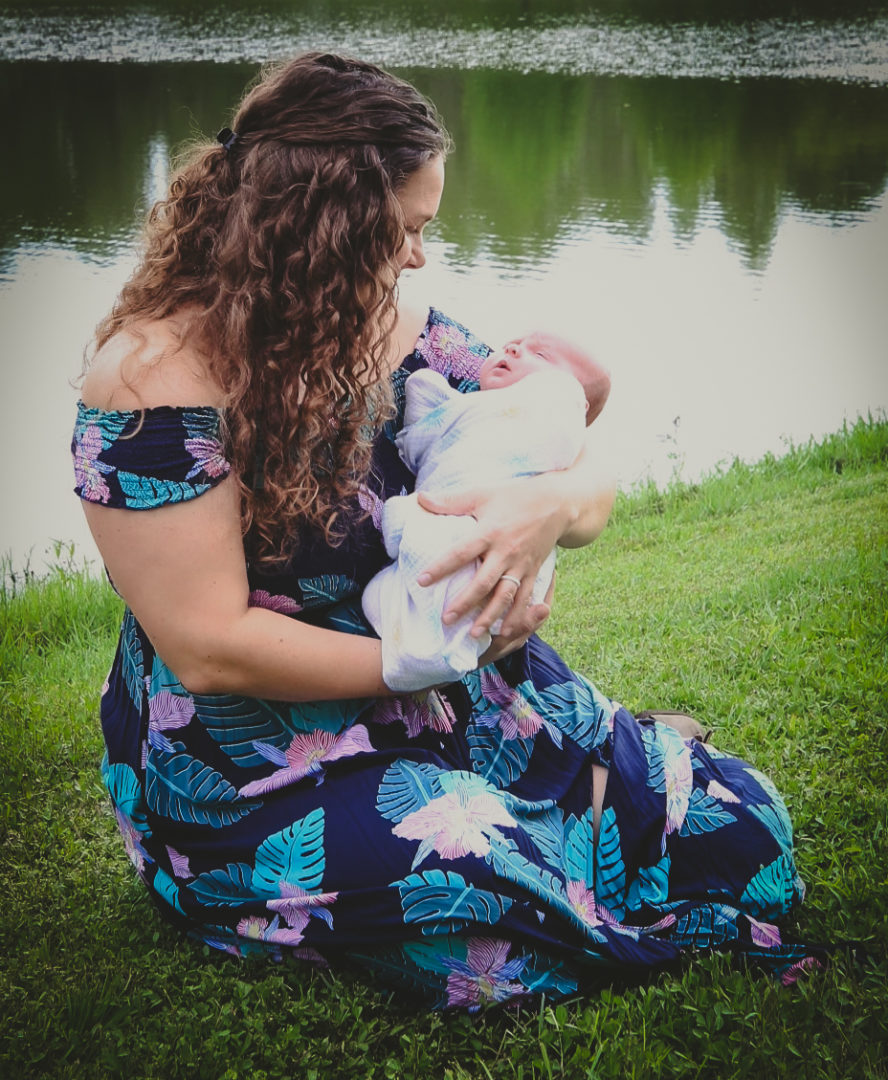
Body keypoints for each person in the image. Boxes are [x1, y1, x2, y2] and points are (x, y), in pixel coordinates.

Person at [73, 52, 820, 1013]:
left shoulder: (395, 323)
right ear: (323, 221)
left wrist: (546, 510)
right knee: (491, 933)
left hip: (458, 694)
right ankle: (472, 846)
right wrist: (423, 661)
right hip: (252, 755)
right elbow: (209, 648)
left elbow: (568, 457)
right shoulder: (150, 383)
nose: (421, 254)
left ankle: (572, 801)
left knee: (750, 833)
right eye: (410, 228)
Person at [362, 331, 611, 692]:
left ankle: (436, 638)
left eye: (538, 354)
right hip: (373, 665)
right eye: (516, 343)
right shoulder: (483, 396)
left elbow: (593, 475)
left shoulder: (548, 406)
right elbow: (434, 422)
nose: (511, 347)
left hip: (503, 622)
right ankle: (431, 646)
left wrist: (553, 503)